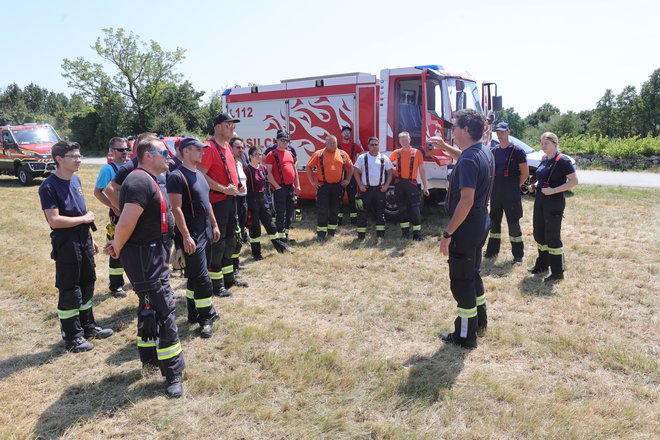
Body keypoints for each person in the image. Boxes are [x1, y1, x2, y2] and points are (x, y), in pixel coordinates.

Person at [104, 137, 185, 398]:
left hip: (152, 253)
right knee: (164, 308)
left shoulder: (147, 178)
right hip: (145, 256)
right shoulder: (139, 180)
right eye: (163, 152)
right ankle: (173, 372)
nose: (168, 157)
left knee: (148, 305)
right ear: (148, 155)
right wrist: (117, 244)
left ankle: (149, 357)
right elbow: (126, 221)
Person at [39, 140, 113, 353]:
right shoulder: (49, 186)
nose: (79, 160)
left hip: (82, 239)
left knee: (87, 282)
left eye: (80, 156)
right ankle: (72, 336)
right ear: (59, 159)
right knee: (70, 288)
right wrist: (84, 220)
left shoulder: (76, 179)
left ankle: (88, 327)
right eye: (74, 156)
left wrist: (91, 238)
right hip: (66, 243)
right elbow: (54, 220)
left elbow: (81, 213)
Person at [430, 109, 494, 349]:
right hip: (480, 223)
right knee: (473, 273)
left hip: (466, 228)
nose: (452, 130)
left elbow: (465, 201)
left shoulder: (468, 159)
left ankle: (465, 336)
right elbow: (466, 157)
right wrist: (446, 146)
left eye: (455, 127)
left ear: (466, 130)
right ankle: (480, 322)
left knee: (461, 281)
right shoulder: (482, 151)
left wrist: (448, 234)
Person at [166, 136, 221, 338]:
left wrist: (214, 224)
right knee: (203, 279)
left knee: (196, 274)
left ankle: (192, 312)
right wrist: (186, 236)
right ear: (186, 151)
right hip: (192, 233)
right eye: (198, 149)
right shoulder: (177, 176)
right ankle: (206, 318)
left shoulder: (198, 174)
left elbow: (207, 203)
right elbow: (176, 209)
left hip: (205, 229)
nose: (202, 152)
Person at [199, 112, 248, 295]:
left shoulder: (227, 146)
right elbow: (201, 174)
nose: (233, 127)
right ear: (218, 126)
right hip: (217, 201)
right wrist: (223, 188)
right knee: (217, 243)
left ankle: (229, 278)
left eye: (233, 125)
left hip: (231, 199)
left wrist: (238, 185)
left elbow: (229, 169)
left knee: (231, 239)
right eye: (229, 124)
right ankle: (216, 284)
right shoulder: (209, 147)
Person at [528, 132, 578, 282]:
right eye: (542, 143)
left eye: (546, 143)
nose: (543, 146)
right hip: (540, 201)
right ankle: (542, 265)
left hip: (554, 202)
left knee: (552, 237)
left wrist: (553, 190)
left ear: (555, 144)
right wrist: (535, 185)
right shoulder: (544, 159)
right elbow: (543, 178)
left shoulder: (563, 160)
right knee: (539, 234)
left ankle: (557, 272)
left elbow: (574, 181)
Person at [484, 122, 529, 264]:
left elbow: (525, 173)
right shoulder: (494, 150)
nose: (500, 134)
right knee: (494, 223)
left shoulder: (518, 151)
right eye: (498, 131)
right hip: (496, 193)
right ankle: (492, 251)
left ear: (509, 132)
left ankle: (518, 255)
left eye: (503, 131)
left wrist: (515, 186)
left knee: (513, 224)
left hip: (511, 194)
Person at [93, 137, 130, 297]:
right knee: (117, 248)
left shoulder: (130, 167)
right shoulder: (108, 170)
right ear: (112, 152)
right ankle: (116, 285)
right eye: (121, 150)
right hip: (118, 215)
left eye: (126, 149)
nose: (124, 152)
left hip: (131, 213)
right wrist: (114, 207)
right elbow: (97, 192)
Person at [244, 146, 289, 259]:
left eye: (260, 154)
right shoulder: (247, 170)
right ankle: (256, 253)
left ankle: (280, 247)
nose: (259, 156)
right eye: (256, 154)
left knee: (270, 224)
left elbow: (266, 184)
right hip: (252, 199)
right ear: (250, 156)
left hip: (262, 198)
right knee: (255, 227)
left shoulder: (263, 168)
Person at [306, 135, 354, 241]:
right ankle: (321, 234)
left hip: (338, 186)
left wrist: (348, 180)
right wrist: (313, 181)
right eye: (330, 143)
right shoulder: (319, 154)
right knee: (323, 210)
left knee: (335, 209)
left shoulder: (342, 154)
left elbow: (350, 166)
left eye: (334, 143)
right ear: (325, 143)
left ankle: (332, 232)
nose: (332, 145)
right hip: (324, 186)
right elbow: (309, 167)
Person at [389, 131, 430, 240]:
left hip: (412, 185)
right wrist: (393, 170)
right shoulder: (396, 152)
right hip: (399, 184)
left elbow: (422, 170)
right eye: (401, 140)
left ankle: (417, 235)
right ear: (399, 141)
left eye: (405, 139)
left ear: (410, 140)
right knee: (402, 210)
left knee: (415, 210)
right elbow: (387, 164)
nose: (404, 141)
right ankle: (405, 234)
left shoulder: (417, 153)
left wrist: (425, 187)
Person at [353, 136, 394, 240]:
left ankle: (380, 236)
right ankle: (361, 237)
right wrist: (360, 185)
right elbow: (355, 171)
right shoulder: (362, 158)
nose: (374, 147)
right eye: (372, 145)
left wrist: (386, 186)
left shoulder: (384, 158)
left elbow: (390, 172)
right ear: (368, 146)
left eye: (376, 144)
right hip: (366, 190)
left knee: (380, 213)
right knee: (362, 213)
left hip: (380, 191)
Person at [264, 131, 300, 242]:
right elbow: (268, 172)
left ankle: (286, 235)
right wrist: (276, 186)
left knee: (289, 212)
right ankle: (280, 238)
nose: (285, 142)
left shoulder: (289, 153)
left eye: (286, 141)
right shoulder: (271, 155)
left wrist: (297, 185)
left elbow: (294, 169)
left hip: (290, 188)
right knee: (281, 213)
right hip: (280, 189)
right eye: (282, 140)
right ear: (277, 141)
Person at [338, 125, 363, 225]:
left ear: (350, 134)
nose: (346, 134)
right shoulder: (337, 146)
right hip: (340, 175)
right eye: (345, 132)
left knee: (352, 198)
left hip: (351, 175)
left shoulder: (354, 146)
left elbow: (363, 154)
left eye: (348, 132)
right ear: (341, 134)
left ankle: (353, 220)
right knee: (339, 198)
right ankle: (338, 220)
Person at [230, 137, 248, 276]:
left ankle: (237, 263)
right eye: (238, 147)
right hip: (234, 202)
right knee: (235, 234)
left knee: (241, 232)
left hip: (243, 201)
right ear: (230, 148)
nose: (241, 150)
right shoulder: (229, 164)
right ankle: (232, 267)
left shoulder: (240, 164)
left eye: (242, 147)